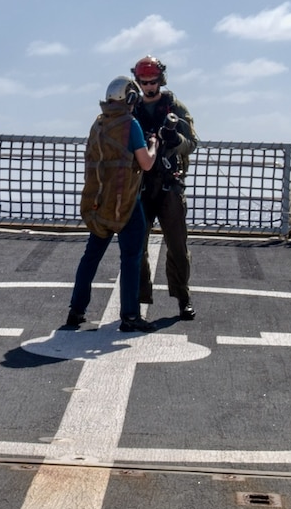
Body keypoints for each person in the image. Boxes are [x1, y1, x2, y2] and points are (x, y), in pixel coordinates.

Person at [64, 76, 158, 334]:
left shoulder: (98, 124)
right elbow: (146, 163)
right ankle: (130, 316)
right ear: (129, 98)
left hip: (100, 203)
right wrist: (153, 145)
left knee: (91, 257)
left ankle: (76, 311)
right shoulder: (131, 125)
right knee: (130, 258)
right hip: (127, 204)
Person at [131, 55, 197, 320]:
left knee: (178, 246)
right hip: (141, 186)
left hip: (170, 185)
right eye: (144, 82)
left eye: (153, 81)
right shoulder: (132, 108)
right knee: (137, 247)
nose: (149, 86)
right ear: (137, 82)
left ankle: (183, 297)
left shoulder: (174, 106)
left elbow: (192, 143)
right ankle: (137, 299)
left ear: (161, 79)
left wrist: (175, 138)